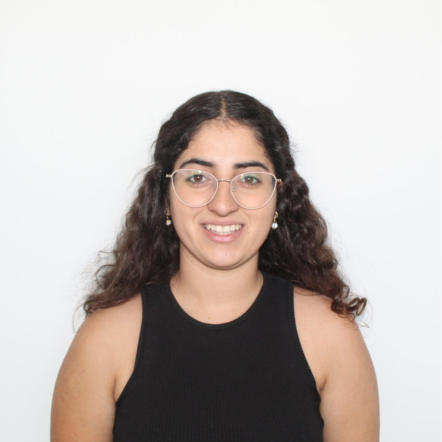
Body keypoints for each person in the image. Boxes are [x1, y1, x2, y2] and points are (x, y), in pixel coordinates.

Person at [51, 90, 379, 442]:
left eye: (249, 179)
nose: (223, 205)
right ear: (165, 196)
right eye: (198, 177)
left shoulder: (332, 336)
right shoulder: (104, 341)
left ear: (279, 198)